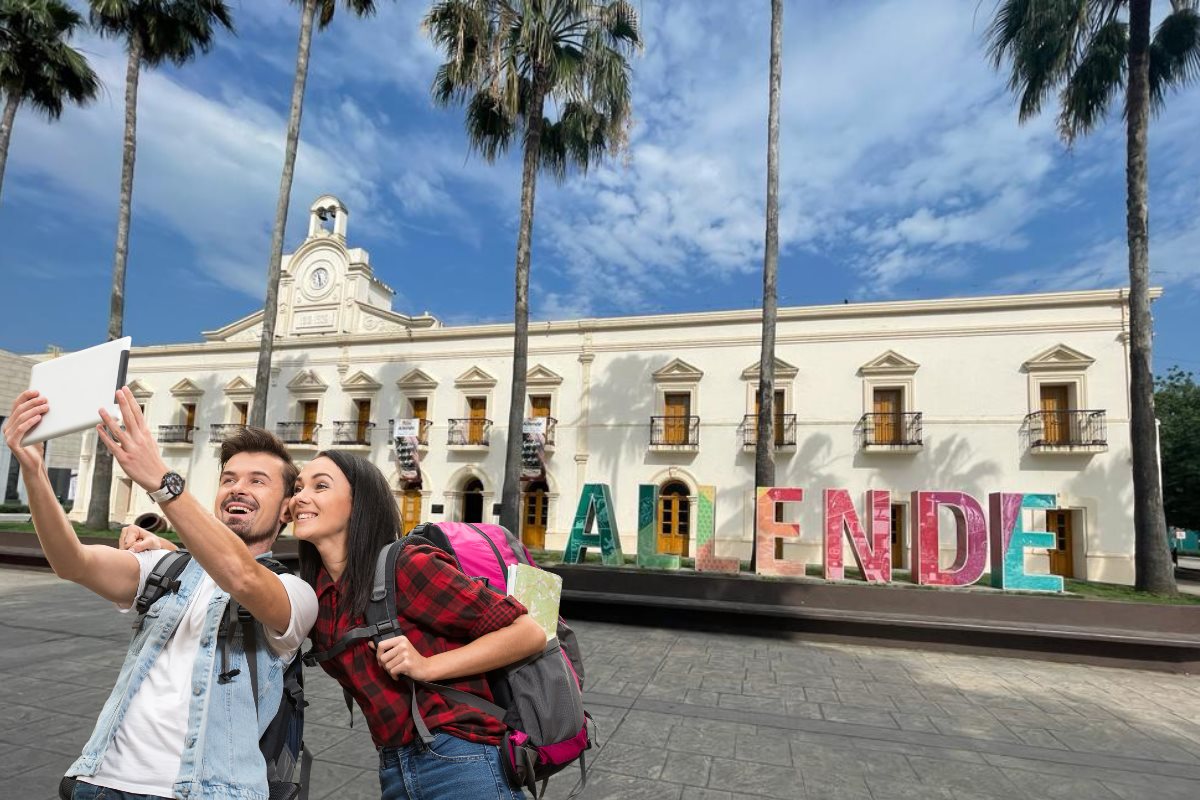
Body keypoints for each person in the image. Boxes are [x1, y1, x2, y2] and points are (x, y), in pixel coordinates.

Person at [1, 387, 318, 800]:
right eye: (228, 479)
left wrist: (162, 485)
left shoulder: (295, 592)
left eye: (258, 481)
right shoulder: (168, 568)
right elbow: (72, 562)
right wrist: (33, 473)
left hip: (209, 792)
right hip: (100, 782)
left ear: (285, 511)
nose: (238, 488)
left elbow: (241, 579)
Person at [293, 450, 546, 800]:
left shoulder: (405, 566)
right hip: (394, 765)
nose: (300, 496)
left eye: (320, 486)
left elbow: (528, 633)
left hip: (461, 758)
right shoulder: (318, 595)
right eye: (296, 488)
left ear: (358, 503)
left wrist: (428, 665)